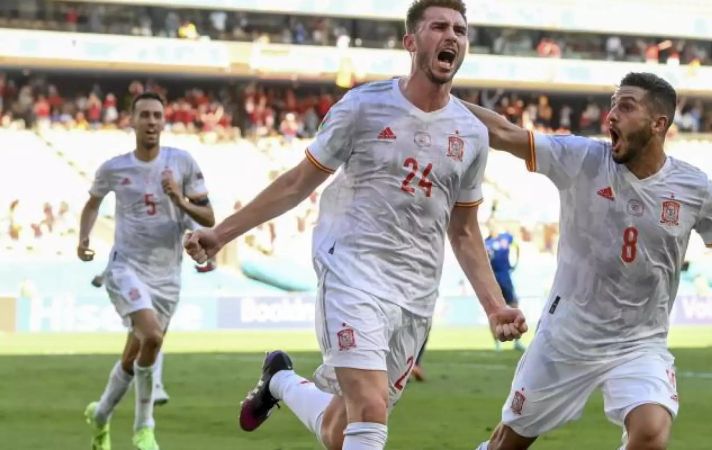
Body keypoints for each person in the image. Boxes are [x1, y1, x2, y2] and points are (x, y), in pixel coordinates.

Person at [183, 1, 527, 449]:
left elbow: (463, 229)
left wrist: (495, 306)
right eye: (439, 26)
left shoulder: (471, 134)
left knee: (341, 430)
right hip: (352, 272)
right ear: (410, 42)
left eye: (460, 30)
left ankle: (280, 381)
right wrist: (220, 233)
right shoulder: (364, 106)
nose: (452, 36)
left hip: (415, 295)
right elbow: (296, 183)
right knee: (370, 411)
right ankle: (285, 382)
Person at [463, 72, 712, 450]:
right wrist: (433, 94)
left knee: (650, 433)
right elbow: (503, 132)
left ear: (658, 123)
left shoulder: (693, 188)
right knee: (508, 444)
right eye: (612, 105)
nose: (611, 116)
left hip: (639, 344)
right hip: (567, 338)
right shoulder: (582, 159)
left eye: (626, 106)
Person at [79, 91, 215, 450]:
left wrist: (179, 199)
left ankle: (101, 416)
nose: (152, 121)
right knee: (152, 337)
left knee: (133, 355)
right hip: (126, 268)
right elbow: (92, 203)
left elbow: (209, 217)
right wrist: (83, 239)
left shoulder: (182, 163)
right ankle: (144, 427)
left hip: (167, 276)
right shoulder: (114, 168)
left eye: (157, 115)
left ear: (164, 121)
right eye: (145, 115)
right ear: (132, 120)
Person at [485, 219, 523, 351]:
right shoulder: (486, 243)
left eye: (494, 224)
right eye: (490, 225)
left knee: (514, 305)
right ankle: (497, 343)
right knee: (493, 311)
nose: (493, 227)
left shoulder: (506, 238)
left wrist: (515, 262)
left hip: (506, 277)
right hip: (494, 279)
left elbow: (517, 245)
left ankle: (517, 341)